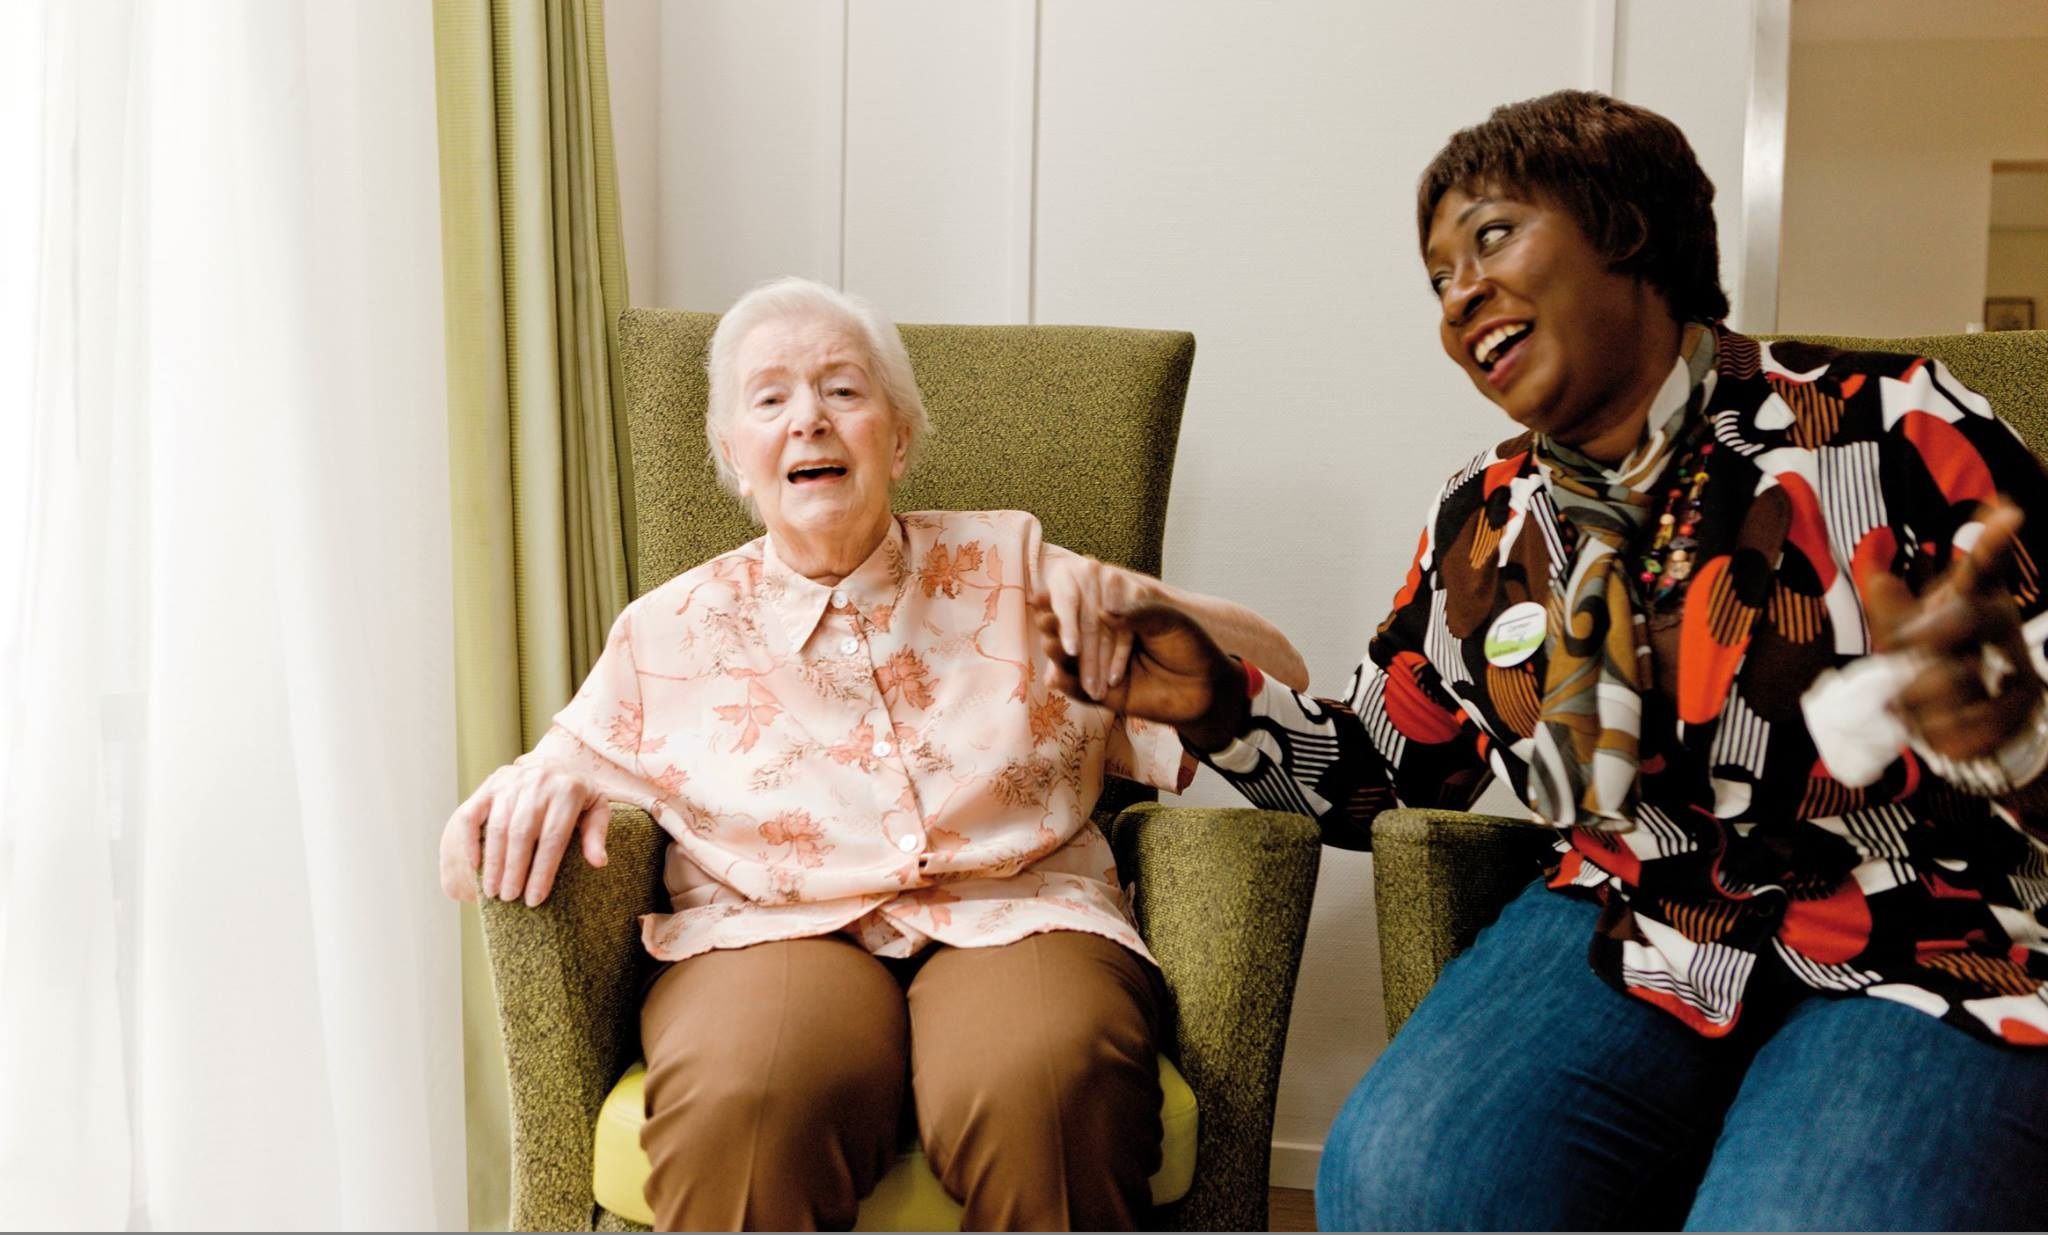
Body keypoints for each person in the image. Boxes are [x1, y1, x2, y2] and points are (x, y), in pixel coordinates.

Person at [1051, 91, 2048, 1229]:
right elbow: (1391, 772)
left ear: (1622, 227)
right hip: (1635, 908)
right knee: (1401, 1177)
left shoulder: (1888, 424)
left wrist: (2012, 734)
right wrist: (1218, 705)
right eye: (1435, 277)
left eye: (1489, 236)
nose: (1457, 293)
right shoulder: (1486, 516)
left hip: (1925, 924)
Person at [436, 276, 1305, 1231]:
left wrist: (1173, 620)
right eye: (770, 398)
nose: (808, 417)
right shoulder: (667, 631)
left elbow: (1279, 681)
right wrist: (530, 783)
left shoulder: (1017, 565)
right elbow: (532, 790)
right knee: (750, 1100)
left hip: (1020, 911)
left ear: (897, 436)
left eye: (843, 389)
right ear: (734, 455)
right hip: (767, 931)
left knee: (1046, 1086)